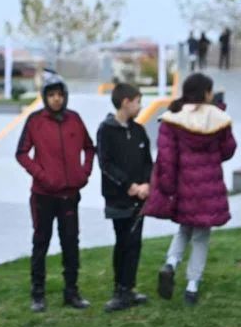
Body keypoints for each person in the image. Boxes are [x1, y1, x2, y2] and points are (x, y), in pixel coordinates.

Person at [141, 72, 236, 306]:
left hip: (183, 185)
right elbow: (228, 150)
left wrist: (167, 187)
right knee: (201, 236)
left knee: (184, 228)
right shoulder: (219, 118)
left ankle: (171, 263)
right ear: (206, 93)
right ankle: (192, 286)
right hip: (209, 186)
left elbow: (166, 157)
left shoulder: (172, 118)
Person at [16, 69, 95, 312]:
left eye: (60, 94)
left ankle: (72, 292)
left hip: (70, 195)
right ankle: (37, 294)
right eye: (52, 95)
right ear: (45, 97)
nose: (57, 99)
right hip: (43, 196)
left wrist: (84, 173)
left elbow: (90, 148)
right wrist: (43, 175)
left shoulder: (75, 119)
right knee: (41, 243)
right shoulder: (35, 121)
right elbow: (22, 153)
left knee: (71, 243)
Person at [96, 82, 153, 312]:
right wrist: (128, 185)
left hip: (140, 197)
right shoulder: (106, 130)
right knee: (123, 242)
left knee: (135, 243)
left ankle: (129, 288)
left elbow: (148, 161)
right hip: (118, 198)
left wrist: (147, 183)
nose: (140, 107)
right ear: (126, 102)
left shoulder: (139, 130)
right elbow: (105, 163)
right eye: (138, 102)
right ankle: (119, 290)